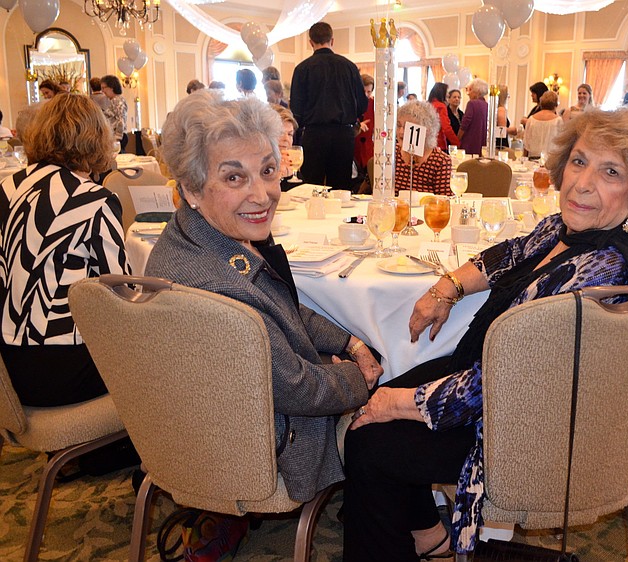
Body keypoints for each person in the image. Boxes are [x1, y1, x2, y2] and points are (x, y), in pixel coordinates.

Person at [343, 105, 628, 561]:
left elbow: (510, 380)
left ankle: (413, 540)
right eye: (579, 162)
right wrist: (449, 286)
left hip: (522, 426)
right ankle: (429, 539)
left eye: (610, 172)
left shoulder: (605, 265)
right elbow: (511, 252)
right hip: (494, 385)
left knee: (370, 439)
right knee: (376, 409)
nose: (582, 183)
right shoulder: (566, 229)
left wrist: (399, 405)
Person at [145, 90, 381, 502]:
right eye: (234, 177)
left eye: (268, 171)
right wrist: (359, 376)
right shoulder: (221, 289)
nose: (261, 195)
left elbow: (284, 307)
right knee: (401, 408)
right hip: (265, 442)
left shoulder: (196, 234)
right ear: (193, 188)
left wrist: (350, 341)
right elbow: (301, 390)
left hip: (204, 419)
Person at [0, 94, 131, 407]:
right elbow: (121, 293)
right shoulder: (94, 199)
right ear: (97, 140)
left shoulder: (7, 188)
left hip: (7, 367)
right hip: (62, 371)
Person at [290, 22, 368, 189]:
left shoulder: (302, 69)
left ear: (310, 42)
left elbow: (296, 108)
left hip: (314, 134)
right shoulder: (349, 67)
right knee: (341, 188)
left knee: (311, 187)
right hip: (344, 135)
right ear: (332, 40)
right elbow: (362, 104)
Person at [394, 101, 452, 196]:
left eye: (407, 127)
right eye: (399, 125)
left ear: (427, 130)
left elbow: (444, 201)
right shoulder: (391, 154)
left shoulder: (440, 161)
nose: (401, 132)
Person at [522, 90, 561, 159]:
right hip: (550, 160)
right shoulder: (558, 120)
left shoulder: (531, 119)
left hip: (532, 158)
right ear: (555, 105)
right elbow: (560, 144)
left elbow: (526, 144)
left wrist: (524, 159)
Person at [272, 105, 300, 191]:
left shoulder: (292, 162)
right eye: (280, 133)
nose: (286, 139)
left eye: (290, 134)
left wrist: (290, 173)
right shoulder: (257, 164)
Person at [354, 74, 375, 183]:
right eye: (364, 92)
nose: (366, 95)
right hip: (354, 148)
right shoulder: (351, 103)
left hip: (368, 150)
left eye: (369, 92)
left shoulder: (374, 104)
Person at [458, 78, 488, 156]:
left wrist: (458, 139)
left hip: (470, 142)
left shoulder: (472, 104)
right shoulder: (487, 105)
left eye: (470, 90)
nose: (468, 93)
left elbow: (464, 124)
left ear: (477, 91)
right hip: (483, 144)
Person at [427, 82, 459, 151]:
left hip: (428, 142)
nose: (448, 94)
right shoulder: (441, 106)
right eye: (447, 92)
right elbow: (446, 128)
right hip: (439, 143)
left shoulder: (428, 104)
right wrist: (457, 143)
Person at [101, 74, 129, 152]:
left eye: (104, 88)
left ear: (111, 87)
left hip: (118, 137)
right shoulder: (114, 100)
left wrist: (117, 139)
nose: (102, 91)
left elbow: (121, 119)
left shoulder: (118, 101)